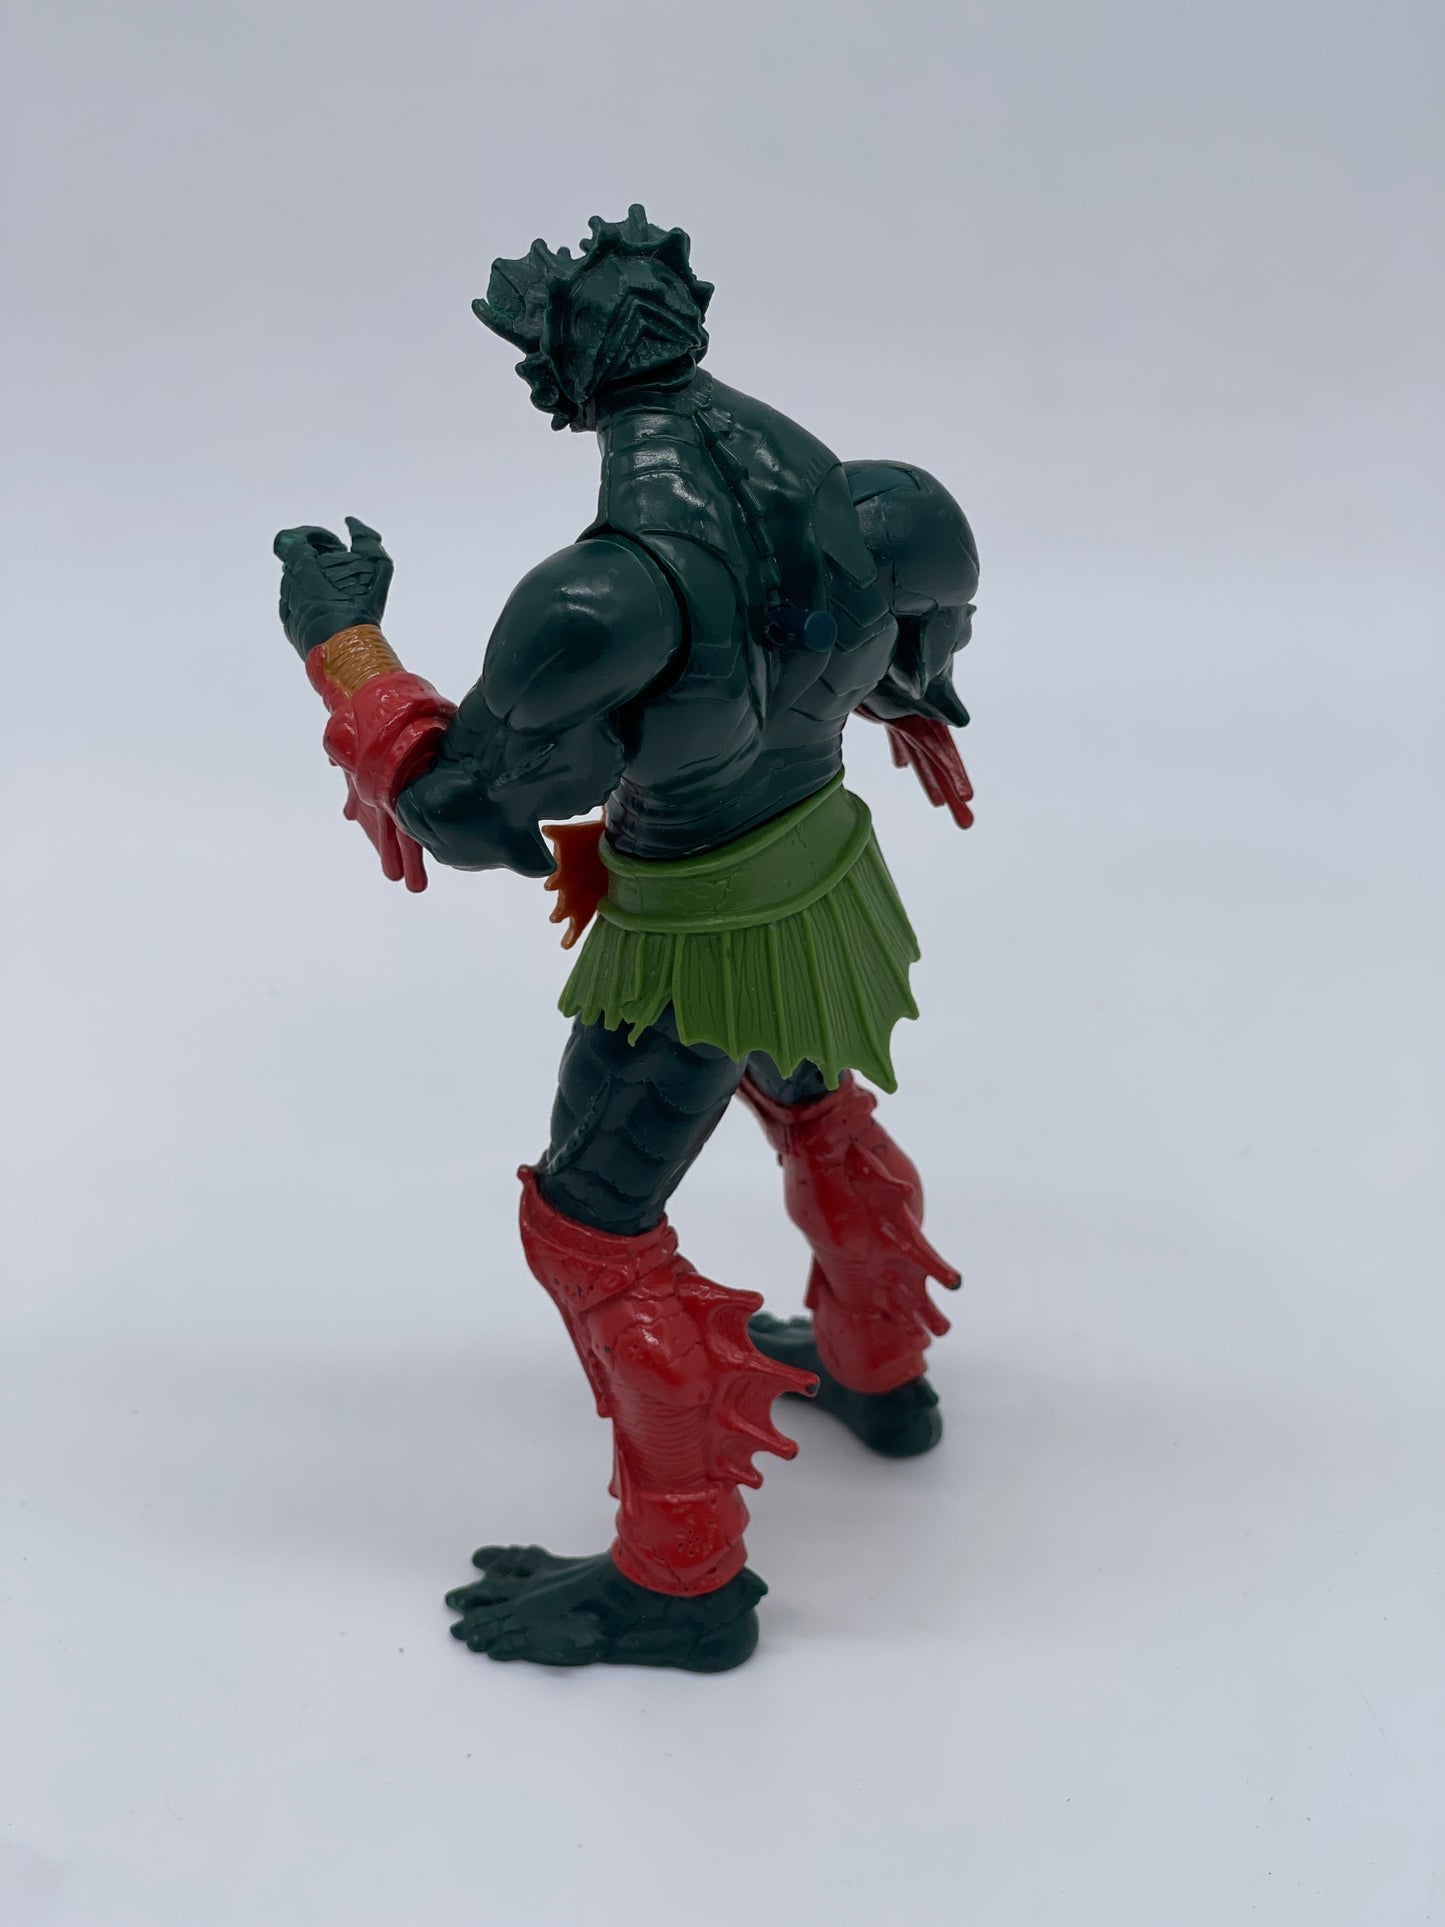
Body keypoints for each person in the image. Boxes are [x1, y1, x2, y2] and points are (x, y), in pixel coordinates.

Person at [272, 205, 980, 1671]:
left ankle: (681, 1578)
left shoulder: (598, 598)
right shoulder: (873, 498)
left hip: (696, 923)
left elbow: (465, 811)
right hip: (824, 874)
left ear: (558, 375)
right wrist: (908, 708)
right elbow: (912, 652)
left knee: (590, 1230)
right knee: (811, 1098)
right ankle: (878, 1366)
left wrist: (345, 647)